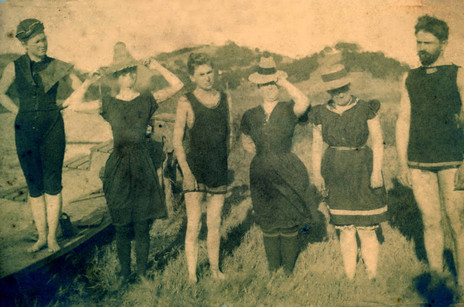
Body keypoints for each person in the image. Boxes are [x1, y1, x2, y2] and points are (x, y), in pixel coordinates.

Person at [68, 43, 184, 281]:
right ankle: (124, 272)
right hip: (118, 166)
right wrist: (87, 82)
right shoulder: (107, 103)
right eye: (124, 73)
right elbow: (74, 105)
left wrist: (156, 65)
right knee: (121, 224)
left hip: (143, 165)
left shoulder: (146, 100)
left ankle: (141, 273)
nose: (129, 76)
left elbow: (178, 85)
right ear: (117, 77)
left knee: (142, 223)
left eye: (132, 72)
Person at [395, 15, 464, 301]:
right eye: (418, 42)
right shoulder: (409, 77)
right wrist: (401, 161)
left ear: (443, 44)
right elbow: (403, 119)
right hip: (419, 161)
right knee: (430, 221)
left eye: (427, 43)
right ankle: (438, 284)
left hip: (453, 159)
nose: (421, 47)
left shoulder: (460, 74)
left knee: (456, 221)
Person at [0, 19, 84, 253]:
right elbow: (1, 94)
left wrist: (67, 104)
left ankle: (52, 238)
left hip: (53, 129)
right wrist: (18, 111)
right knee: (34, 186)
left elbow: (80, 88)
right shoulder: (14, 67)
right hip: (24, 131)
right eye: (37, 41)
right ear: (25, 44)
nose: (42, 44)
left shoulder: (56, 66)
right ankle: (40, 237)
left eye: (44, 39)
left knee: (53, 184)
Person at [310, 64, 386, 280]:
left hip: (363, 168)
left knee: (366, 227)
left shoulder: (365, 108)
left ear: (349, 86)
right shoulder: (320, 113)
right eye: (334, 90)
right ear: (329, 92)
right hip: (335, 170)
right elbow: (316, 146)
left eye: (343, 88)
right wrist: (317, 175)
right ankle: (350, 276)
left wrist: (376, 172)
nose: (340, 94)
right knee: (345, 227)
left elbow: (378, 142)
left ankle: (372, 275)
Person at [240, 55, 311, 275]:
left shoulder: (289, 109)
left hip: (287, 167)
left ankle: (288, 270)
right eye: (265, 84)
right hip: (261, 170)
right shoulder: (250, 115)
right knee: (267, 216)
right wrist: (253, 149)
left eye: (272, 83)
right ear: (258, 87)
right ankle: (273, 269)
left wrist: (284, 81)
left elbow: (305, 102)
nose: (269, 88)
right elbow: (245, 139)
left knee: (288, 216)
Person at [173, 52, 231, 282]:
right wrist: (186, 173)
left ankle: (215, 270)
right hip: (194, 170)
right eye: (201, 74)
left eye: (209, 72)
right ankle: (192, 274)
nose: (207, 78)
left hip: (217, 168)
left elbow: (229, 134)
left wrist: (222, 162)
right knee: (194, 224)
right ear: (192, 77)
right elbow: (177, 141)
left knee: (215, 223)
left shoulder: (225, 98)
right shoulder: (186, 101)